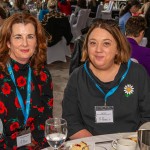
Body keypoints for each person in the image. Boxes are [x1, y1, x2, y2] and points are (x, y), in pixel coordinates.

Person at [62, 19, 150, 140]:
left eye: (106, 43)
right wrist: (98, 146)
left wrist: (129, 144)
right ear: (86, 47)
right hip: (90, 144)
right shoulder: (77, 77)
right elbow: (71, 122)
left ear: (118, 48)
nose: (98, 49)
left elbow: (148, 117)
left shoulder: (137, 73)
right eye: (93, 43)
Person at [0, 13, 53, 149]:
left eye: (30, 37)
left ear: (37, 41)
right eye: (18, 37)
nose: (25, 43)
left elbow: (46, 118)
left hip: (37, 144)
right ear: (8, 42)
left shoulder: (43, 74)